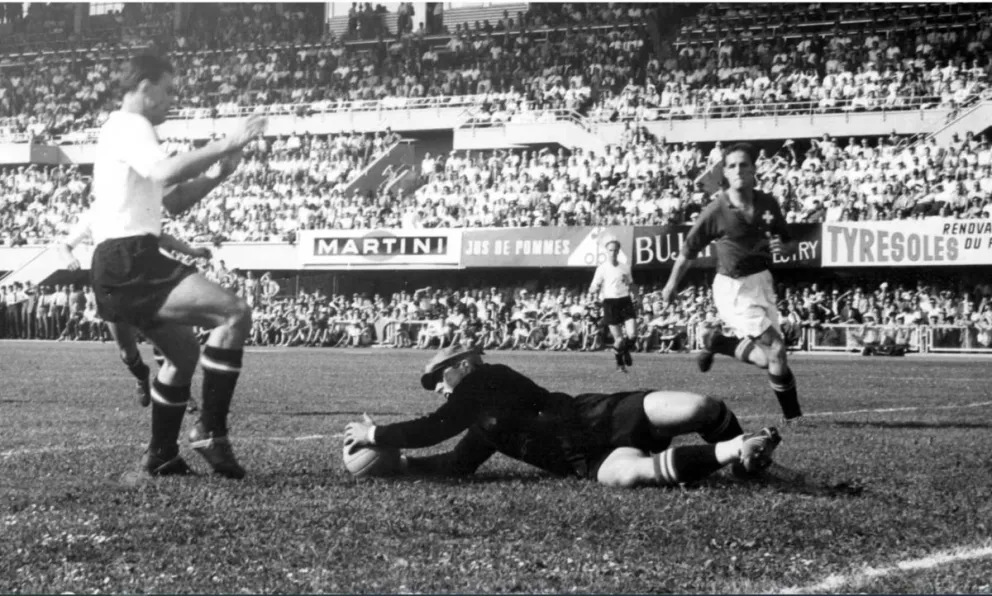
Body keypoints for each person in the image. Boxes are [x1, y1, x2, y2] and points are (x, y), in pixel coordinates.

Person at [90, 54, 266, 480]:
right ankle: (210, 430)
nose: (173, 100)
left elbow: (173, 199)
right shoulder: (131, 126)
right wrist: (225, 142)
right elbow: (166, 169)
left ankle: (161, 457)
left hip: (119, 264)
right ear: (145, 87)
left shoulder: (128, 133)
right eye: (169, 90)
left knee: (184, 355)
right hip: (127, 258)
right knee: (234, 313)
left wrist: (220, 173)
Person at [344, 345, 782, 488]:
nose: (439, 387)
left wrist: (376, 433)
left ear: (463, 364)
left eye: (439, 378)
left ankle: (746, 467)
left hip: (592, 417)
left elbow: (435, 427)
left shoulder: (487, 377)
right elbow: (456, 465)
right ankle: (734, 451)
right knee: (633, 476)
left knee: (701, 408)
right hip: (582, 459)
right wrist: (402, 465)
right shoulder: (482, 425)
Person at [660, 142, 804, 423]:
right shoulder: (715, 210)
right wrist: (670, 285)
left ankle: (719, 342)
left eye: (744, 164)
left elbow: (787, 242)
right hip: (733, 287)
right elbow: (688, 251)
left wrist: (784, 248)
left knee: (769, 359)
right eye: (732, 165)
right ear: (724, 172)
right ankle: (795, 419)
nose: (738, 170)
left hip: (762, 282)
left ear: (753, 169)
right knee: (777, 350)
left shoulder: (768, 203)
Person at [57, 212, 213, 408]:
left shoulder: (133, 207)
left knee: (167, 343)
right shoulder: (94, 214)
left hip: (145, 280)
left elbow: (163, 238)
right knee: (126, 351)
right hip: (111, 282)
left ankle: (181, 393)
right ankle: (142, 376)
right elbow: (64, 245)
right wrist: (68, 258)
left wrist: (192, 251)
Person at [589, 237, 637, 372]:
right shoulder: (602, 268)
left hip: (625, 300)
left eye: (615, 250)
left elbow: (631, 284)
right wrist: (594, 290)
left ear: (618, 251)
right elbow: (593, 287)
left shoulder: (625, 267)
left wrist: (637, 297)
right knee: (619, 340)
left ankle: (626, 351)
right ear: (607, 251)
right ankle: (620, 363)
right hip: (610, 303)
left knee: (632, 335)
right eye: (610, 250)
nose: (613, 253)